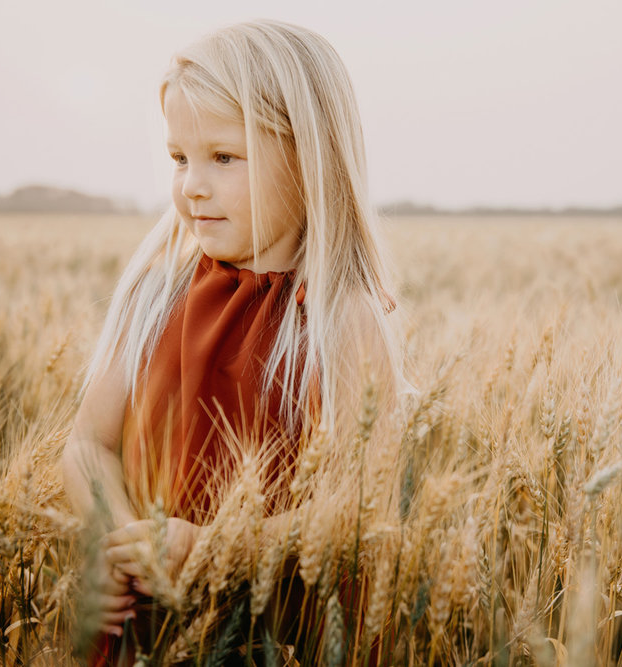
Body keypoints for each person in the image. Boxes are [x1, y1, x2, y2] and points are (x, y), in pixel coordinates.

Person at [61, 19, 403, 664]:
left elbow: (358, 508)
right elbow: (87, 445)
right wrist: (123, 543)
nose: (191, 184)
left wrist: (213, 548)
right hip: (152, 628)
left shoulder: (343, 317)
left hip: (281, 635)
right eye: (178, 158)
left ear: (309, 158)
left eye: (223, 156)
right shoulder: (155, 294)